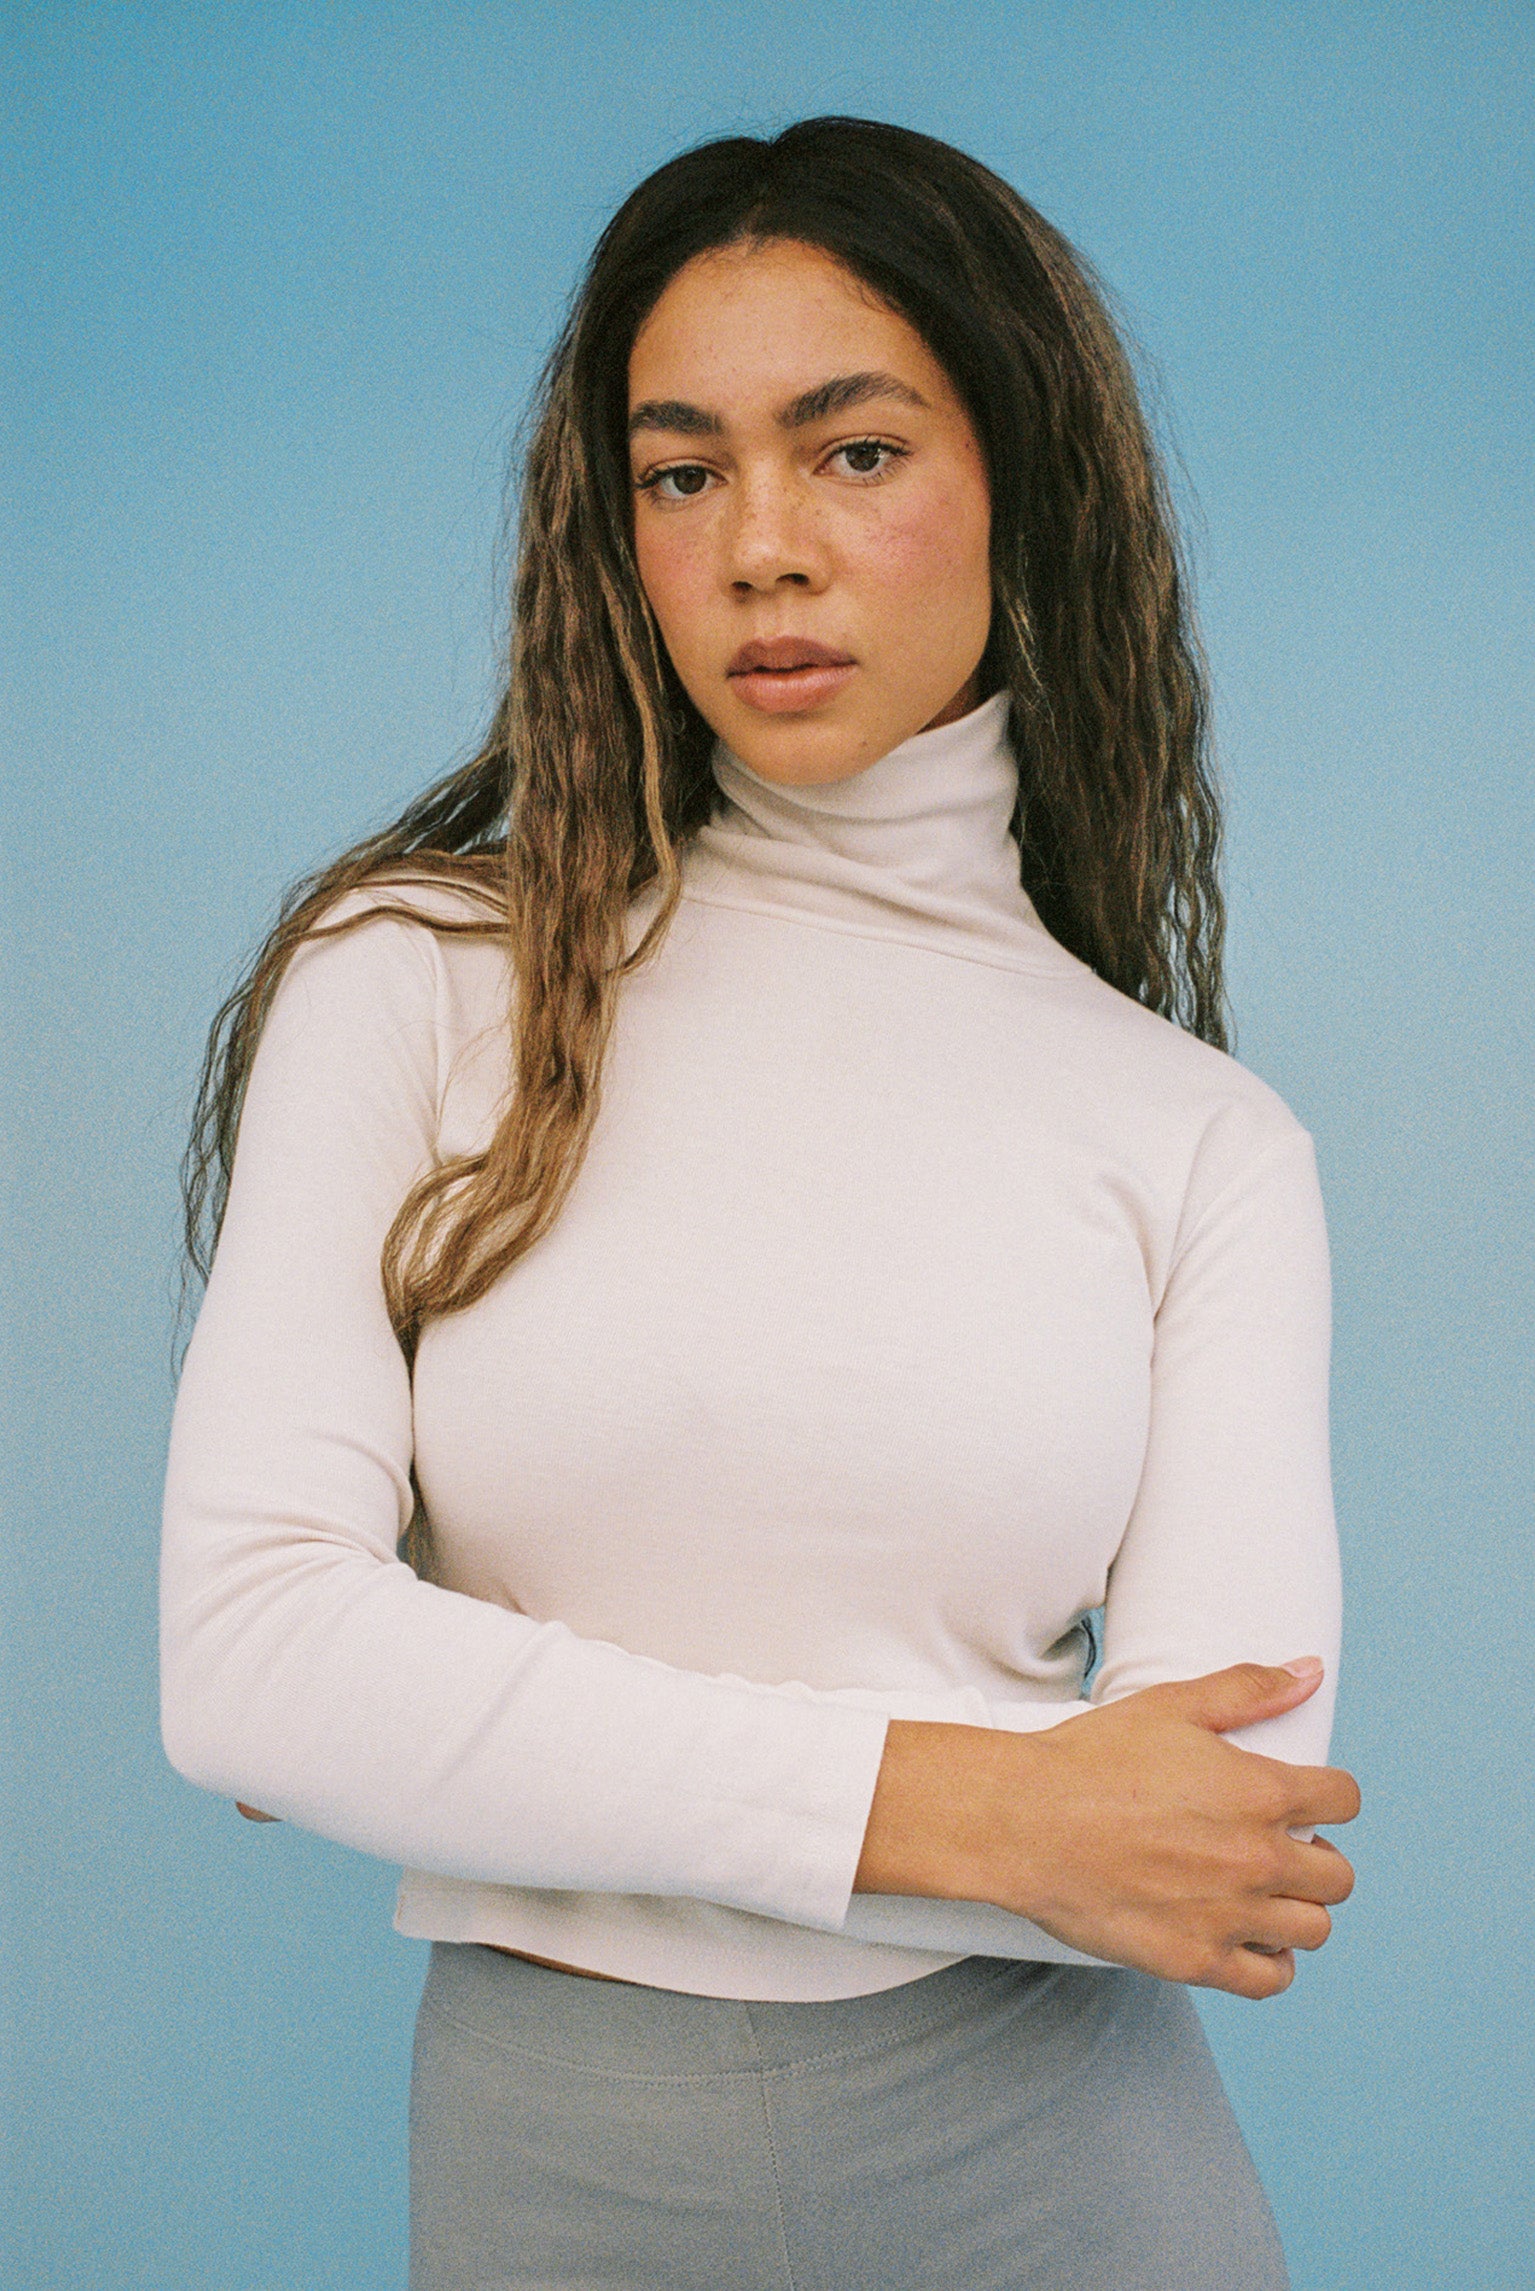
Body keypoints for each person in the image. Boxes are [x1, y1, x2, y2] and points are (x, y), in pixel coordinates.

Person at [160, 116, 1361, 2290]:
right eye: (682, 473)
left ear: (1020, 481)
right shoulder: (419, 980)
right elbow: (249, 1665)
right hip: (555, 2170)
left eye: (856, 452)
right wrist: (989, 1808)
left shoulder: (1200, 1142)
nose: (763, 550)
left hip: (1070, 2176)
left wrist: (461, 1726)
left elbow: (1217, 1842)